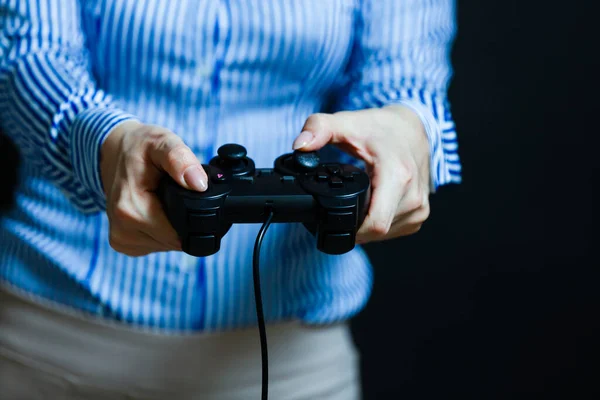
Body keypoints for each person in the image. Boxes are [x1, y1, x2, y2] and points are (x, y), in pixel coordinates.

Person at [0, 0, 461, 398]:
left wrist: (405, 127)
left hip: (293, 365)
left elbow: (404, 71)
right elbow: (32, 54)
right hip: (49, 345)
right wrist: (105, 145)